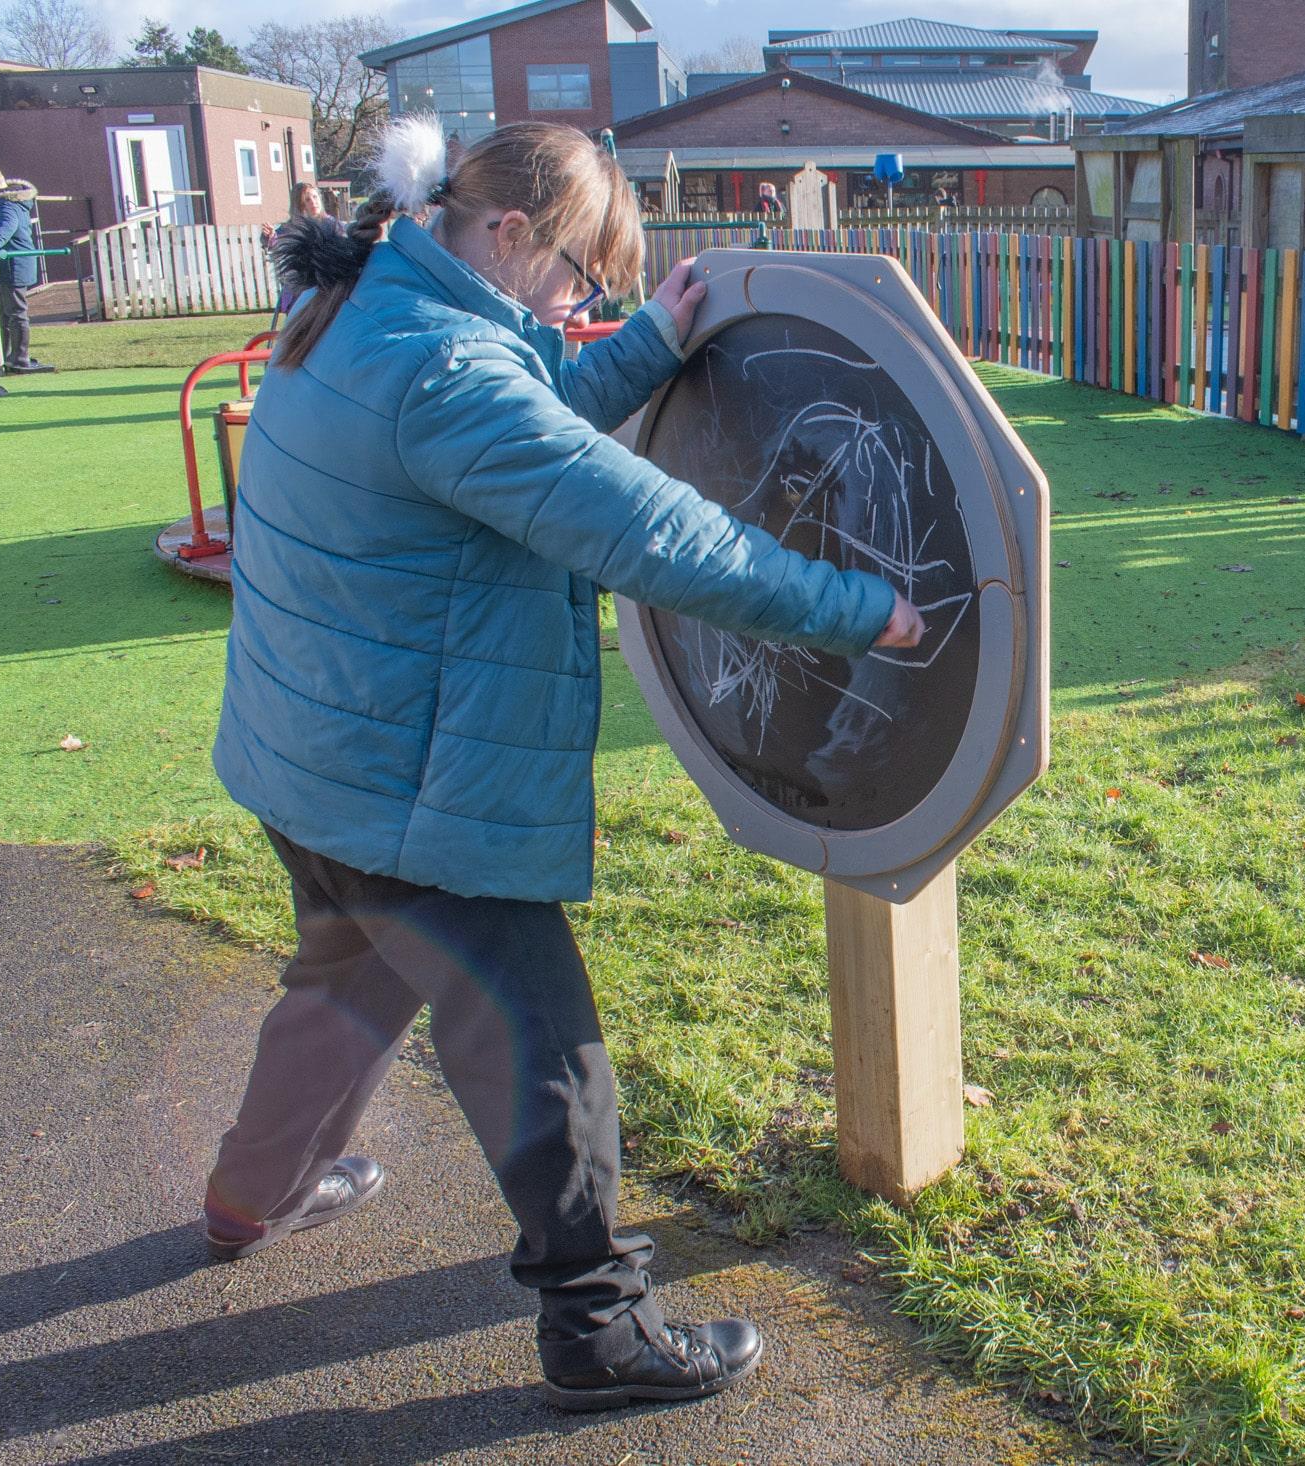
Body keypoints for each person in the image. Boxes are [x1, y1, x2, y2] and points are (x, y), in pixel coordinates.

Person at [201, 114, 924, 1413]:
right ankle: (598, 1327)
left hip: (308, 758)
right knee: (545, 1051)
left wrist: (642, 346)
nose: (580, 303)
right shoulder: (442, 371)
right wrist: (853, 606)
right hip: (412, 789)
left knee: (345, 985)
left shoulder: (355, 304)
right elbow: (644, 530)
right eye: (582, 278)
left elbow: (508, 433)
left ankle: (255, 1189)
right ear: (513, 231)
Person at [0, 160, 52, 374]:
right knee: (4, 313)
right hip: (6, 264)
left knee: (16, 312)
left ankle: (20, 359)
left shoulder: (8, 204)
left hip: (15, 264)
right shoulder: (1, 202)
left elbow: (6, 228)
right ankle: (4, 355)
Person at [268, 183, 343, 313]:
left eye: (315, 197)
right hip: (300, 289)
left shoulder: (332, 225)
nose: (313, 202)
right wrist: (269, 237)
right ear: (299, 204)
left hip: (327, 286)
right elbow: (277, 243)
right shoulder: (290, 228)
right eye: (307, 199)